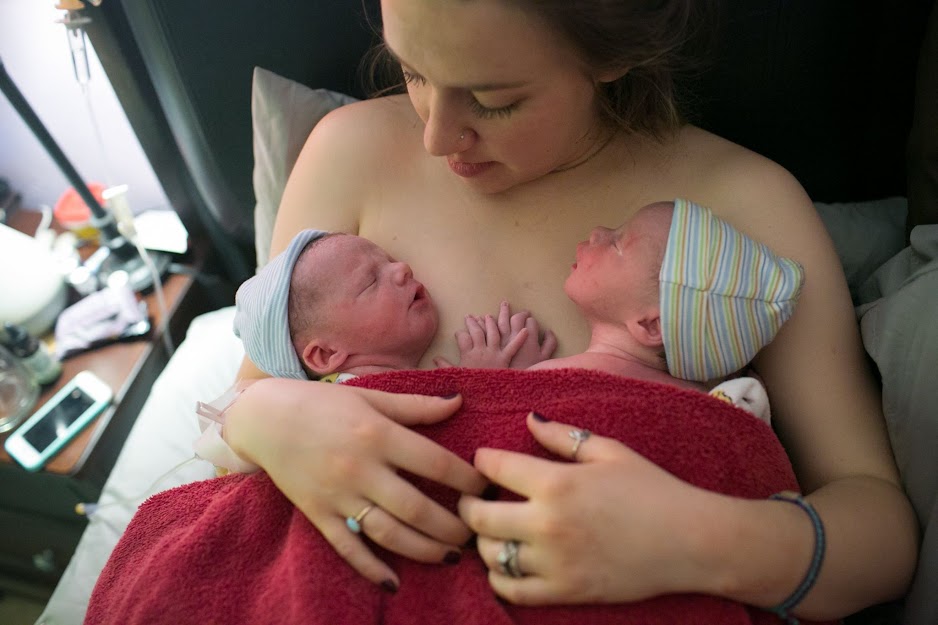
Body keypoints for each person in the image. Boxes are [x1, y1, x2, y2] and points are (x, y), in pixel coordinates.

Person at [221, 0, 919, 621]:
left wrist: (695, 542)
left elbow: (879, 527)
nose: (435, 137)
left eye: (493, 101)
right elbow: (245, 410)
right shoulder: (350, 150)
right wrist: (269, 418)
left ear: (612, 55)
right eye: (413, 73)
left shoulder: (740, 208)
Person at [232, 229, 555, 382]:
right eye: (370, 281)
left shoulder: (399, 387)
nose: (402, 269)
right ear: (327, 355)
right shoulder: (347, 405)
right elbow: (442, 457)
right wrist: (488, 382)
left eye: (389, 260)